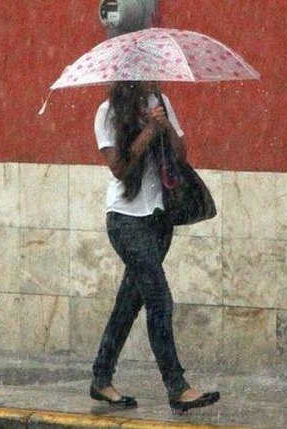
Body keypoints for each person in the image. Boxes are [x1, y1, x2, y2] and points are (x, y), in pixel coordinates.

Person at [89, 80, 220, 413]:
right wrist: (148, 130)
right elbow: (119, 168)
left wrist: (165, 127)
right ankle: (177, 387)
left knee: (129, 303)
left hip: (159, 218)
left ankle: (101, 379)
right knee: (159, 300)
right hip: (126, 219)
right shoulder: (107, 114)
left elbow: (180, 155)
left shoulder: (160, 102)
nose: (149, 78)